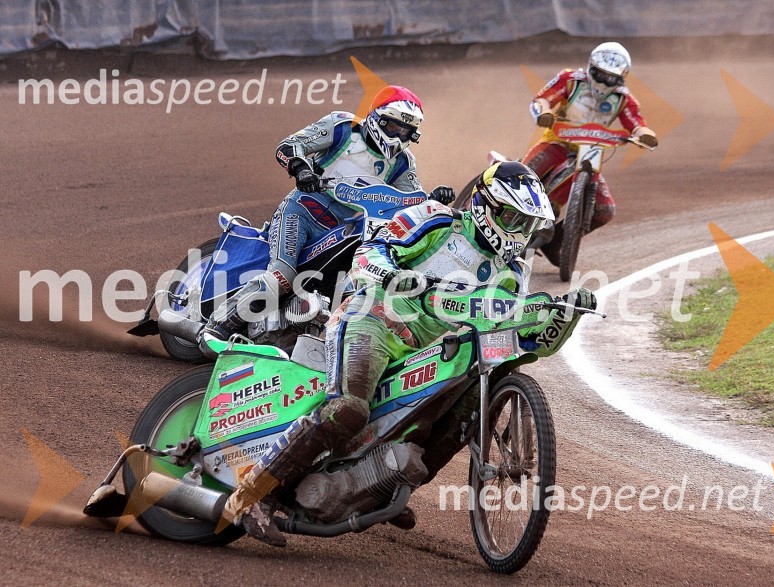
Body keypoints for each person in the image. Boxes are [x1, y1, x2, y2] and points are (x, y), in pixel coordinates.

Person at [221, 161, 597, 545]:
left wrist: (563, 315)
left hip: (425, 353)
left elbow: (519, 335)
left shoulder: (513, 274)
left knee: (461, 417)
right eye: (515, 220)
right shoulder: (437, 219)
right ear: (487, 206)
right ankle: (252, 495)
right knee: (349, 408)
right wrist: (391, 274)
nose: (521, 234)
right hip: (373, 317)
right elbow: (370, 252)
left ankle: (377, 487)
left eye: (528, 225)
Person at [201, 85, 456, 345]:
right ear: (377, 119)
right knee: (282, 276)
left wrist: (433, 201)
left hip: (350, 228)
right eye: (393, 128)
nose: (398, 137)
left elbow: (411, 204)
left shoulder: (403, 162)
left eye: (406, 132)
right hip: (302, 211)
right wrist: (301, 169)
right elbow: (290, 145)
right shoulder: (342, 127)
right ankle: (217, 327)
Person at [522, 41, 658, 261]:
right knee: (522, 175)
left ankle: (557, 242)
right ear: (591, 68)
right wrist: (543, 113)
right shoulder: (570, 79)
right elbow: (542, 100)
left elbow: (636, 123)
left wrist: (644, 134)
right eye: (601, 75)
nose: (604, 82)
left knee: (605, 211)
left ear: (621, 78)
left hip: (590, 154)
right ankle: (475, 210)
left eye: (611, 78)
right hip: (557, 143)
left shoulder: (624, 99)